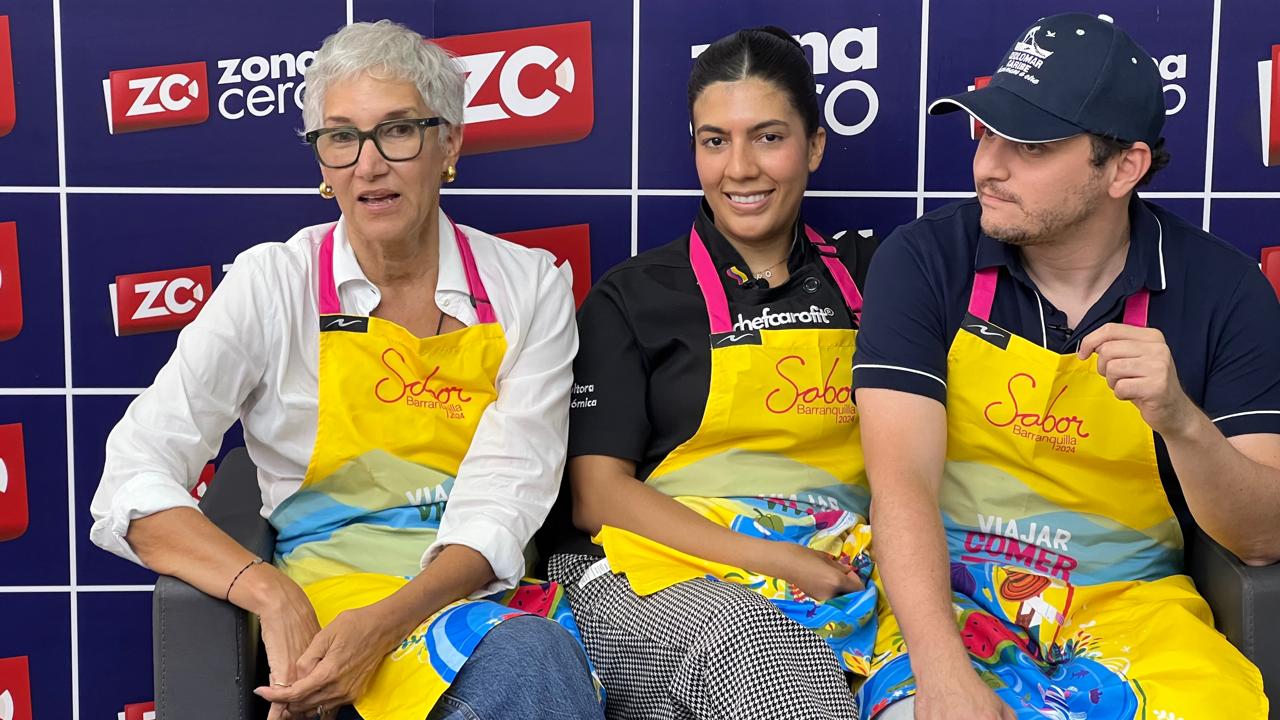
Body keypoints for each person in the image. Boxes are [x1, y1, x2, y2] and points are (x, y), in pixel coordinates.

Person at [89, 20, 602, 720]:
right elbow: (131, 479)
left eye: (398, 131)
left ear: (449, 143)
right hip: (325, 608)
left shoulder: (529, 286)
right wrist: (270, 592)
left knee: (530, 658)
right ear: (322, 162)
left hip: (471, 601)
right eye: (341, 137)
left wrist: (388, 623)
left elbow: (505, 501)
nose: (369, 164)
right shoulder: (271, 283)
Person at [852, 13, 1277, 719]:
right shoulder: (923, 261)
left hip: (1133, 610)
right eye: (987, 131)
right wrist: (944, 676)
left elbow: (1262, 539)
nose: (989, 164)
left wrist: (1182, 423)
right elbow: (899, 488)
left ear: (1124, 167)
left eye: (1032, 145)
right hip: (947, 600)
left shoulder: (1226, 292)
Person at [542, 26, 880, 719]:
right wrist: (780, 562)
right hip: (652, 572)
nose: (740, 169)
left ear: (814, 145)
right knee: (752, 640)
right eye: (715, 141)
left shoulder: (875, 282)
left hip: (845, 569)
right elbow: (597, 499)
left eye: (769, 136)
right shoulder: (631, 296)